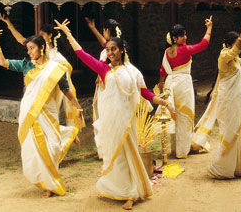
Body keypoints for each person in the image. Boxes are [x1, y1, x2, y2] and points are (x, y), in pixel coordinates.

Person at [54, 20, 175, 210]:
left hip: (127, 122)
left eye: (113, 49)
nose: (110, 53)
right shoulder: (104, 69)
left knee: (128, 156)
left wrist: (165, 102)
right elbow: (82, 55)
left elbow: (145, 93)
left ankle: (131, 193)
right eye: (108, 50)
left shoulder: (133, 72)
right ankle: (119, 189)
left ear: (122, 50)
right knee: (115, 157)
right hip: (111, 122)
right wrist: (68, 34)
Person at [0, 25, 83, 198]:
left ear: (42, 47)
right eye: (27, 49)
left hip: (49, 113)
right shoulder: (26, 65)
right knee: (34, 148)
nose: (29, 52)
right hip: (31, 112)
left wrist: (77, 106)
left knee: (53, 146)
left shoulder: (55, 68)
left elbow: (66, 90)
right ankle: (48, 184)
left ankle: (51, 177)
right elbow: (3, 62)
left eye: (32, 48)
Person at [192, 16, 241, 179]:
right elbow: (237, 50)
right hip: (228, 103)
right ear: (229, 44)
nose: (238, 45)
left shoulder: (235, 58)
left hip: (237, 103)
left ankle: (238, 169)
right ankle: (220, 169)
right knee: (229, 133)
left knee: (239, 132)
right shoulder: (224, 56)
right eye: (236, 42)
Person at [156, 18, 213, 159]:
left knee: (176, 117)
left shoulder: (167, 52)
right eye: (183, 35)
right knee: (185, 117)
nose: (185, 37)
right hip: (184, 85)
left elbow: (163, 70)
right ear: (175, 38)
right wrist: (209, 28)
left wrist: (161, 83)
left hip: (172, 84)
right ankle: (182, 151)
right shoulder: (185, 50)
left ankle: (175, 150)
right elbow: (203, 44)